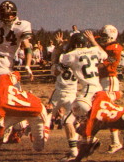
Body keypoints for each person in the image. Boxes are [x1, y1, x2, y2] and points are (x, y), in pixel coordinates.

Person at [0, 72, 50, 162]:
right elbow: (17, 74)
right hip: (17, 112)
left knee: (38, 147)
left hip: (36, 111)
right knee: (3, 129)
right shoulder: (1, 81)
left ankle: (48, 116)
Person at [47, 32, 79, 161]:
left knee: (46, 116)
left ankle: (39, 137)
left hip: (59, 93)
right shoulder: (79, 61)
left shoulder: (63, 60)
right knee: (69, 121)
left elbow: (54, 66)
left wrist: (58, 47)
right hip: (72, 94)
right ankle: (74, 149)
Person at [95, 25, 124, 153]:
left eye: (105, 37)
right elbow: (93, 38)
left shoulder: (115, 48)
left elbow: (106, 63)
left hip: (109, 79)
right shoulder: (106, 45)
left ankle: (116, 142)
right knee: (101, 109)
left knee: (109, 111)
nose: (102, 39)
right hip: (102, 80)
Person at [59, 31, 108, 100]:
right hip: (99, 87)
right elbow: (104, 54)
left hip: (88, 89)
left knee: (75, 108)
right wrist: (93, 40)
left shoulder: (72, 54)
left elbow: (61, 62)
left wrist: (61, 45)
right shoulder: (95, 50)